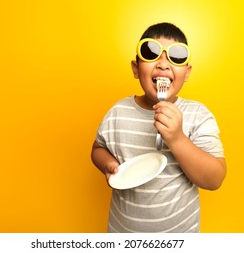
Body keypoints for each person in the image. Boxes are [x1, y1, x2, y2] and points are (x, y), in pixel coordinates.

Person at [91, 22, 226, 233]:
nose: (163, 65)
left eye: (176, 56)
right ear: (136, 69)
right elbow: (97, 148)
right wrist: (108, 165)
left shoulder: (197, 115)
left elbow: (215, 178)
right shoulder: (118, 112)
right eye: (151, 53)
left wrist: (177, 139)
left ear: (187, 73)